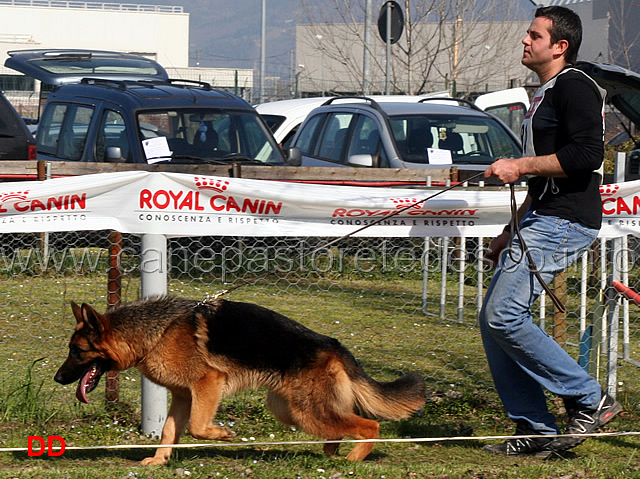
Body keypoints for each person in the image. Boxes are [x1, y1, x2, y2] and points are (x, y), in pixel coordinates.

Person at [479, 5, 622, 457]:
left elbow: (586, 154)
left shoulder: (575, 86)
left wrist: (518, 164)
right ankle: (535, 427)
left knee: (504, 315)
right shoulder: (544, 93)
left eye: (534, 35)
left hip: (566, 220)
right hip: (543, 216)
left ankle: (588, 397)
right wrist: (510, 231)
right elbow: (543, 183)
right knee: (492, 320)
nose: (525, 40)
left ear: (560, 46)